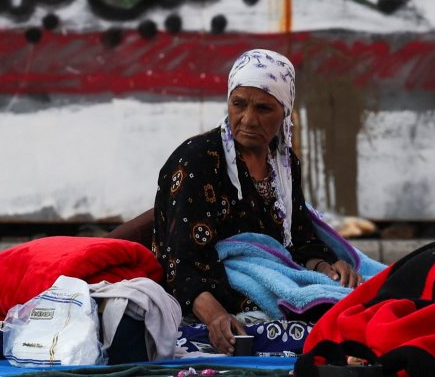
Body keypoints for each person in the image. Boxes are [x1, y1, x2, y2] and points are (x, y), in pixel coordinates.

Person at [153, 48, 363, 354]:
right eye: (238, 104)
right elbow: (181, 261)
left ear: (285, 110)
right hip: (215, 297)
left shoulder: (285, 162)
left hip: (272, 286)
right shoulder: (197, 160)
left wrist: (328, 267)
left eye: (264, 108)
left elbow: (300, 238)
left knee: (362, 300)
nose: (248, 119)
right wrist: (216, 318)